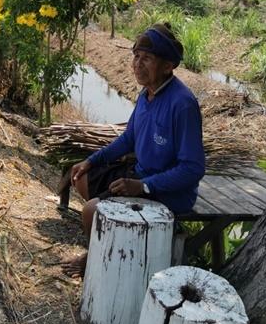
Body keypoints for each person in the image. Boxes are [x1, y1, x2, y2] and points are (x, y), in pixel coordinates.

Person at [61, 23, 206, 277]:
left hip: (168, 190)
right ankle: (111, 243)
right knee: (80, 176)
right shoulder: (146, 93)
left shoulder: (182, 104)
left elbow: (193, 168)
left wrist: (144, 186)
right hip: (140, 174)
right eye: (136, 57)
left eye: (147, 59)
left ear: (168, 65)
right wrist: (92, 161)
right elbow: (129, 138)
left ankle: (95, 261)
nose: (138, 64)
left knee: (90, 212)